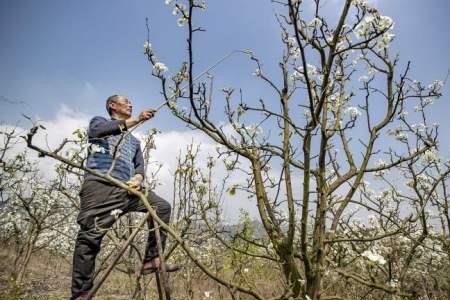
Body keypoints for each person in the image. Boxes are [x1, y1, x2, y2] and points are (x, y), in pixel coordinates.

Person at [71, 95, 180, 300]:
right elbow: (97, 132)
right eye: (125, 101)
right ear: (113, 105)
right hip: (100, 188)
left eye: (131, 102)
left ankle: (152, 259)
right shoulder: (99, 123)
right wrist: (137, 120)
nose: (130, 104)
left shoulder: (134, 141)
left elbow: (139, 167)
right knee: (90, 239)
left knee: (161, 207)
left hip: (129, 191)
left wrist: (138, 179)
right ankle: (81, 293)